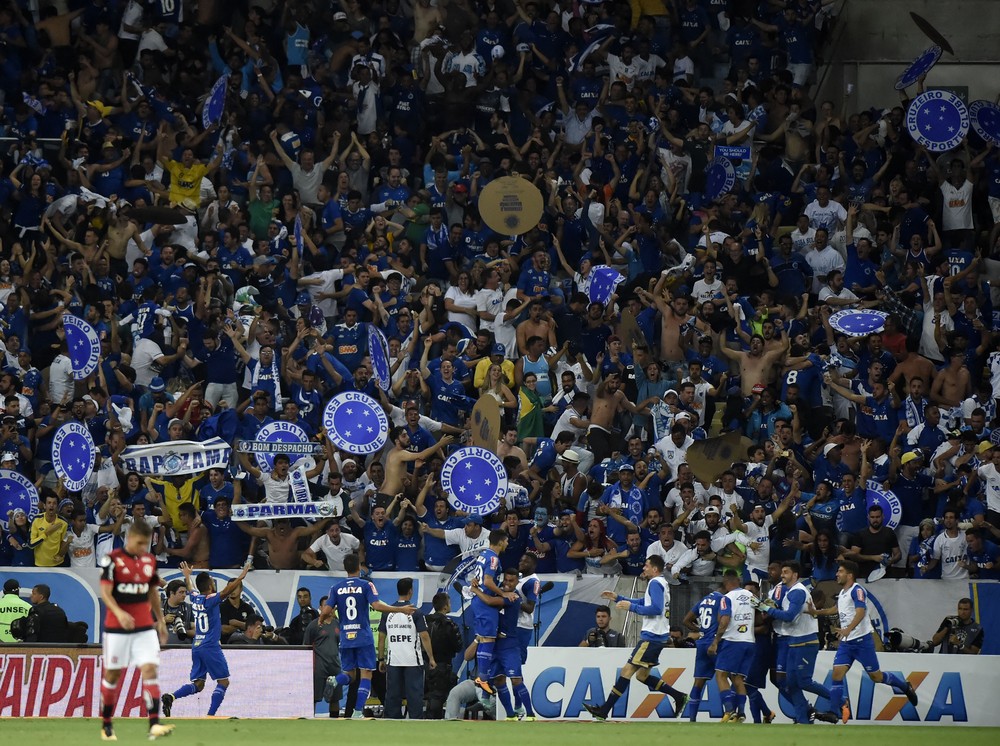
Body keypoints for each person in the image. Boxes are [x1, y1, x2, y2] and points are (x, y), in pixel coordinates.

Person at [809, 560, 918, 723]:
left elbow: (861, 611)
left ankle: (904, 686)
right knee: (837, 675)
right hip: (847, 643)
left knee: (876, 677)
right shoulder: (843, 592)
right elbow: (835, 609)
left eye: (840, 571)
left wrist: (848, 629)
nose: (837, 574)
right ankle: (833, 712)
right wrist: (815, 612)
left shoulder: (857, 590)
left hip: (862, 642)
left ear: (850, 575)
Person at [583, 556, 688, 721]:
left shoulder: (655, 583)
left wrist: (631, 607)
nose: (643, 569)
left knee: (627, 671)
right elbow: (643, 601)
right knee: (642, 676)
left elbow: (655, 608)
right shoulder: (661, 583)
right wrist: (618, 598)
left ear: (655, 569)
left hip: (651, 636)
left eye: (646, 566)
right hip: (658, 636)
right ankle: (679, 696)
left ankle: (604, 711)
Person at [97, 519, 174, 741]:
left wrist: (159, 620)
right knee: (113, 675)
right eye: (140, 543)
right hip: (116, 628)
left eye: (146, 544)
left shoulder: (149, 560)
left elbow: (152, 591)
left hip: (143, 627)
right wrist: (119, 613)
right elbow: (106, 593)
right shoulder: (112, 560)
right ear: (129, 538)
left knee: (150, 670)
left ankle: (154, 724)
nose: (143, 548)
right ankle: (107, 724)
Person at [318, 553, 417, 719]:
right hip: (363, 637)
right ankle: (357, 712)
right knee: (366, 675)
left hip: (346, 637)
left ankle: (335, 680)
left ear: (345, 568)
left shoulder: (336, 588)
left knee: (349, 675)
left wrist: (321, 619)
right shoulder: (365, 586)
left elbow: (327, 610)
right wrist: (400, 609)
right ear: (359, 567)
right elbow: (376, 605)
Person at [162, 560, 252, 718]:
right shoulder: (211, 600)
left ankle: (171, 696)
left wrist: (187, 576)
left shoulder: (195, 598)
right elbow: (226, 591)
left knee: (199, 684)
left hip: (197, 645)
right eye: (212, 582)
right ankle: (210, 716)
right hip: (210, 646)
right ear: (210, 585)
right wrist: (241, 577)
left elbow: (190, 589)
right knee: (223, 682)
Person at [760, 560, 835, 724]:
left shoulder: (797, 592)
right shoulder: (781, 591)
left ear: (794, 574)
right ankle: (804, 717)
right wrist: (766, 608)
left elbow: (789, 616)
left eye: (784, 572)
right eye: (782, 572)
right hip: (789, 639)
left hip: (801, 640)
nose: (780, 575)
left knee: (801, 681)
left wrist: (765, 608)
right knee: (786, 682)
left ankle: (838, 700)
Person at [469, 567, 535, 721]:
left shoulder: (514, 597)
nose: (507, 583)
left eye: (511, 581)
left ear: (517, 582)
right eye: (505, 579)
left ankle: (531, 715)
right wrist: (476, 584)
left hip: (509, 644)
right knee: (499, 680)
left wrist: (475, 590)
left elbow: (489, 601)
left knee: (516, 679)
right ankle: (510, 715)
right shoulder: (500, 592)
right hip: (495, 644)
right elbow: (488, 596)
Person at [377, 577, 436, 719]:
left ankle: (391, 722)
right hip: (412, 661)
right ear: (411, 592)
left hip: (394, 661)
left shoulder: (388, 612)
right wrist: (431, 658)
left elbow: (381, 637)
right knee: (414, 694)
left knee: (392, 695)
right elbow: (425, 636)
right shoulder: (416, 612)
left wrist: (381, 659)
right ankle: (416, 722)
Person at [469, 530, 515, 696]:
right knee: (488, 638)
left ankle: (483, 677)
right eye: (507, 541)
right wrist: (503, 593)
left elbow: (478, 579)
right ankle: (482, 678)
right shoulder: (494, 558)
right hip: (484, 602)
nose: (507, 544)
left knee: (484, 638)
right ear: (501, 541)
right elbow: (488, 581)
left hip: (479, 601)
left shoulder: (483, 555)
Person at [709, 572, 757, 722]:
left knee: (720, 674)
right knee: (738, 678)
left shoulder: (727, 598)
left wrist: (716, 641)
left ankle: (729, 711)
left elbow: (725, 620)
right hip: (749, 641)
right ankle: (741, 713)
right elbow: (763, 613)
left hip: (733, 640)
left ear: (725, 582)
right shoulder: (751, 596)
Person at [680, 582, 724, 722]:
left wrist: (700, 631)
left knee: (698, 682)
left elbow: (686, 620)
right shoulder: (723, 600)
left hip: (702, 643)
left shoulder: (703, 600)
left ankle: (692, 718)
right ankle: (732, 712)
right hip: (715, 644)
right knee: (728, 678)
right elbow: (723, 621)